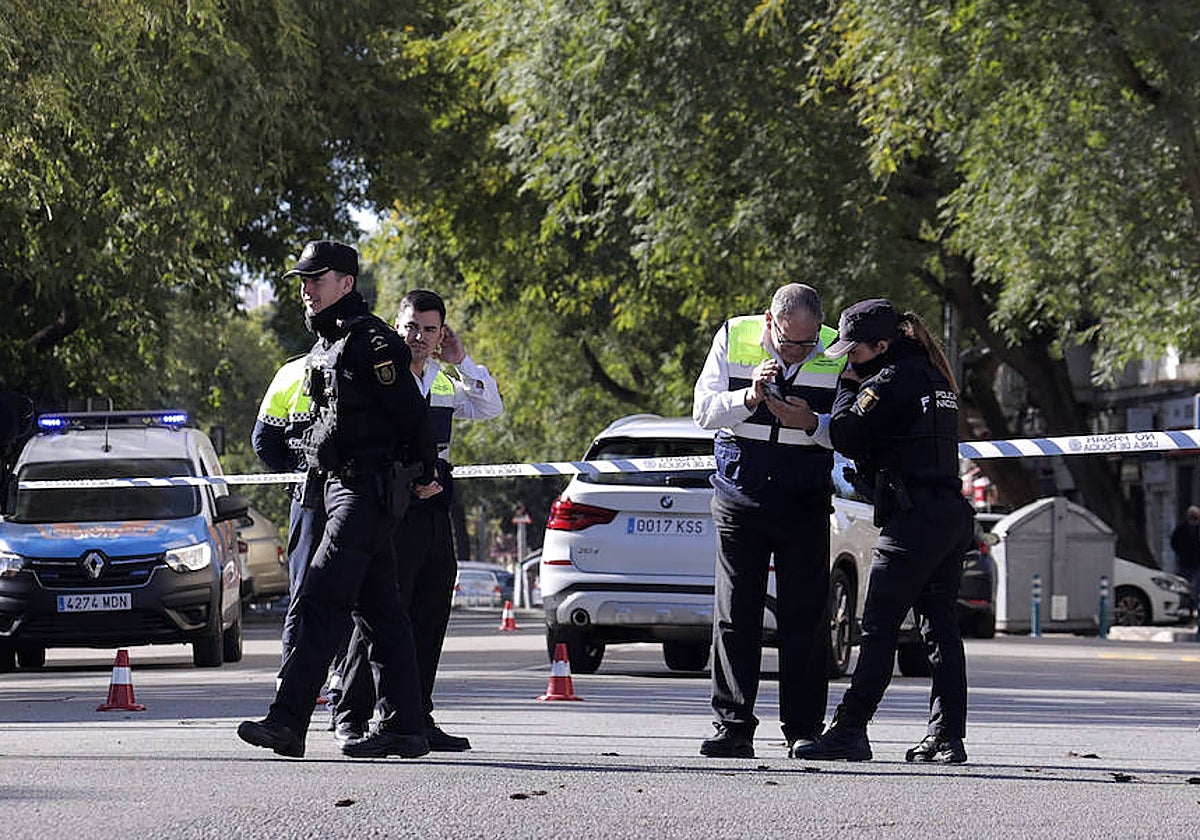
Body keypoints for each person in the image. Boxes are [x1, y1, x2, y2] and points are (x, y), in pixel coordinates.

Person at [237, 239, 438, 759]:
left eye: (316, 279)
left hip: (366, 489)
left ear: (346, 284)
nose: (306, 289)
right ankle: (405, 727)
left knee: (321, 596)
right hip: (339, 485)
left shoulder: (370, 341)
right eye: (303, 280)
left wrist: (426, 469)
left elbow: (411, 413)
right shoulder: (330, 341)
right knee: (382, 613)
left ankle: (288, 720)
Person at [792, 298, 974, 764]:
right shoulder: (933, 374)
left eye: (855, 352)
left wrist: (846, 388)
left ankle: (851, 729)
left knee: (876, 629)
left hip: (913, 521)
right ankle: (947, 736)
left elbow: (848, 435)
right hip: (947, 516)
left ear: (882, 344)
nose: (849, 360)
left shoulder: (890, 379)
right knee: (940, 631)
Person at [331, 289, 504, 751]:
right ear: (396, 325)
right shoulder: (381, 373)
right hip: (390, 505)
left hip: (433, 508)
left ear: (441, 333)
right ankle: (351, 713)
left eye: (430, 329)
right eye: (411, 327)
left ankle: (416, 715)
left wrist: (462, 360)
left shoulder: (444, 381)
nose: (419, 337)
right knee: (382, 615)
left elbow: (490, 407)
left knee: (428, 614)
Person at [692, 283, 846, 759]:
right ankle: (733, 727)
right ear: (769, 322)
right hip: (742, 494)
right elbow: (703, 413)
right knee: (736, 616)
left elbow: (850, 432)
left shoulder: (836, 350)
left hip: (804, 499)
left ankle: (803, 728)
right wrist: (748, 397)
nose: (798, 351)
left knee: (806, 618)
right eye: (788, 341)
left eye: (807, 343)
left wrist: (810, 424)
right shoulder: (734, 336)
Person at [252, 355, 323, 667]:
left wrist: (295, 472)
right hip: (341, 494)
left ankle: (293, 674)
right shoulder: (366, 360)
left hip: (308, 494)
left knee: (305, 588)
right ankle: (333, 678)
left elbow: (263, 442)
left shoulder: (289, 371)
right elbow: (263, 441)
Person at [1169, 506, 1200, 605]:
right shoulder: (1181, 529)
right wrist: (1180, 552)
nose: (1193, 518)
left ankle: (1194, 605)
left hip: (1197, 563)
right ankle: (1185, 606)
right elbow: (1174, 542)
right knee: (1183, 587)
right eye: (1192, 516)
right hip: (1184, 562)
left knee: (1197, 587)